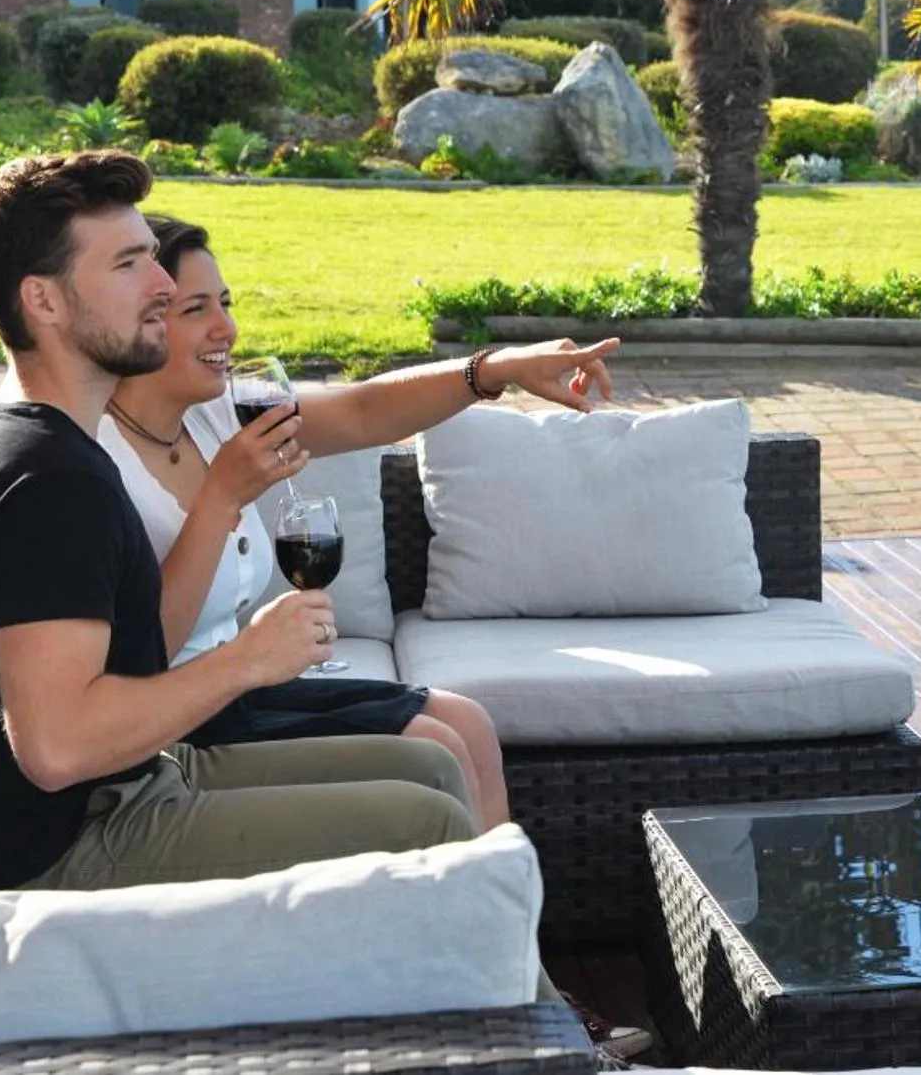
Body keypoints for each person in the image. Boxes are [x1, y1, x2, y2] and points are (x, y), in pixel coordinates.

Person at [0, 152, 503, 896]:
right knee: (427, 821)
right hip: (71, 837)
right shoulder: (49, 481)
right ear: (45, 301)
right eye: (130, 264)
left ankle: (511, 996)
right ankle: (516, 1014)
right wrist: (249, 660)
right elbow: (57, 747)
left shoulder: (46, 440)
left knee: (434, 766)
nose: (163, 285)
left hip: (136, 776)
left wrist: (491, 371)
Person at [96, 215, 620, 831]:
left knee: (470, 723)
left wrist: (493, 370)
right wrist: (222, 497)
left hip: (236, 692)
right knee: (437, 746)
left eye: (226, 303)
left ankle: (499, 919)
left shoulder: (212, 414)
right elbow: (142, 652)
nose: (226, 328)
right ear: (145, 317)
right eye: (195, 309)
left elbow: (364, 409)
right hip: (179, 716)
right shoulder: (101, 459)